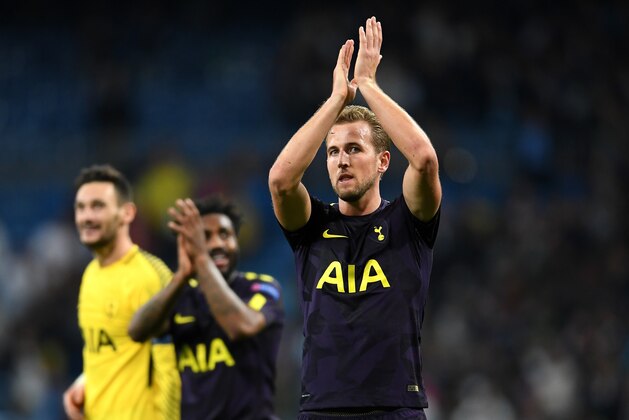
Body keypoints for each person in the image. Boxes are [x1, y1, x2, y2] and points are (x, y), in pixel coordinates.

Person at [268, 16, 442, 420]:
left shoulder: (409, 222)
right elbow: (280, 180)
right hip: (323, 408)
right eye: (332, 152)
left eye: (354, 149)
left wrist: (369, 86)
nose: (341, 160)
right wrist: (335, 104)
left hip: (396, 407)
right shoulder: (312, 228)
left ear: (383, 161)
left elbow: (425, 158)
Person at [128, 195, 285, 419]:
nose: (217, 244)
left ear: (236, 241)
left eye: (225, 234)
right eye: (204, 237)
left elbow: (241, 326)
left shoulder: (260, 287)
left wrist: (201, 258)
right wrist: (181, 276)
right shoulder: (181, 297)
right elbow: (137, 331)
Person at [63, 164, 180, 420]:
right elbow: (108, 349)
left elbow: (174, 364)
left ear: (127, 213)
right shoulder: (91, 274)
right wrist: (84, 382)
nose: (86, 217)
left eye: (98, 206)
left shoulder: (148, 276)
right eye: (80, 208)